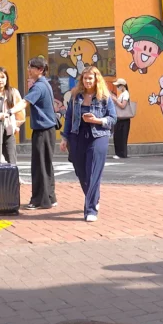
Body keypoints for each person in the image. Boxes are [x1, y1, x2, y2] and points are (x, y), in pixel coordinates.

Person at [62, 66, 117, 222]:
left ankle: (90, 209)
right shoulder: (75, 96)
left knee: (92, 171)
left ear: (96, 79)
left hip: (98, 135)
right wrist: (65, 138)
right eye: (85, 78)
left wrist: (97, 120)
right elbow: (69, 117)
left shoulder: (105, 97)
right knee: (81, 171)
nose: (87, 81)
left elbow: (113, 118)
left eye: (90, 78)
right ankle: (94, 196)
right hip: (77, 136)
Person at [4, 57, 59, 210]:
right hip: (48, 130)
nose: (28, 70)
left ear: (40, 70)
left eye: (31, 68)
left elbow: (24, 103)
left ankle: (39, 200)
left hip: (42, 131)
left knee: (39, 166)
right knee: (46, 165)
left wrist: (9, 112)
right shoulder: (45, 84)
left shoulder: (39, 87)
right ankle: (50, 197)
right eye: (28, 67)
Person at [110, 79, 132, 159]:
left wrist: (115, 100)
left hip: (124, 119)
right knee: (118, 136)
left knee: (122, 137)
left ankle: (121, 154)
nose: (118, 87)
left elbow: (123, 105)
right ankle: (119, 153)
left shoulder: (125, 94)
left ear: (123, 86)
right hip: (119, 118)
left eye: (118, 86)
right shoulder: (122, 94)